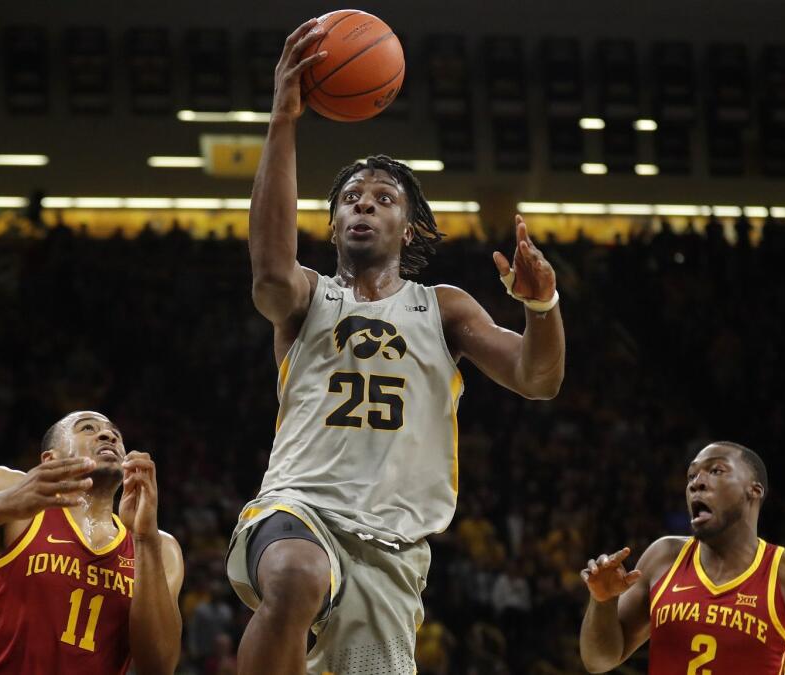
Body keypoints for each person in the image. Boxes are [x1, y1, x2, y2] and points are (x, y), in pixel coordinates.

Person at [227, 17, 566, 675]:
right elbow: (268, 271)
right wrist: (283, 119)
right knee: (295, 575)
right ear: (331, 226)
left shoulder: (443, 308)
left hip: (393, 546)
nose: (362, 206)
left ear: (407, 229)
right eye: (350, 198)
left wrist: (542, 306)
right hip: (299, 509)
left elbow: (538, 378)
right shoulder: (307, 296)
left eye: (381, 199)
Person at [0, 411, 184, 675]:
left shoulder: (160, 549)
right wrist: (6, 503)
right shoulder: (8, 490)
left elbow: (157, 668)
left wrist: (144, 540)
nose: (108, 434)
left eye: (116, 434)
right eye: (87, 428)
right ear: (50, 459)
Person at [578, 442, 785, 675]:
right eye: (691, 476)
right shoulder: (663, 558)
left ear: (754, 491)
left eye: (716, 470)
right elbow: (599, 660)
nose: (696, 483)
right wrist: (602, 602)